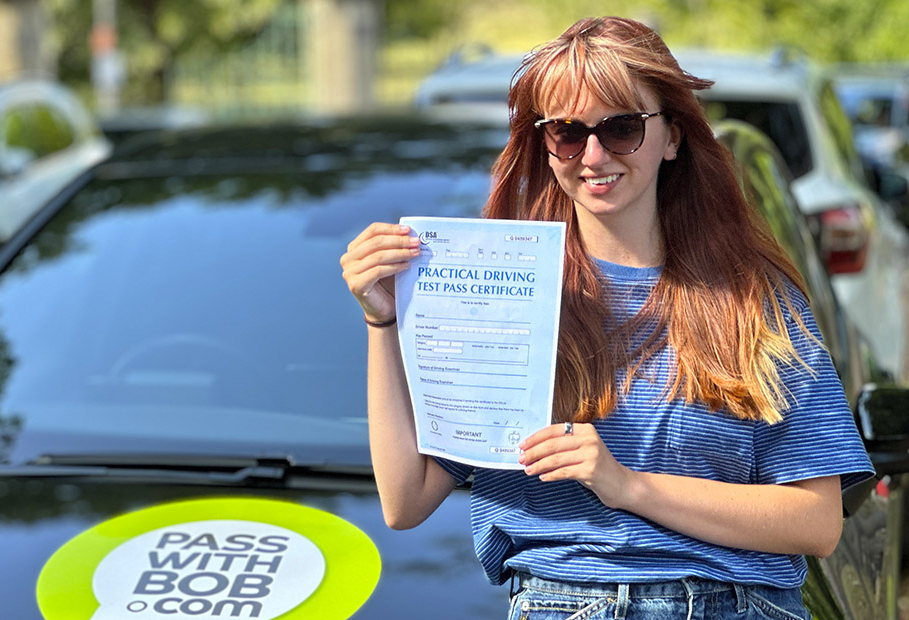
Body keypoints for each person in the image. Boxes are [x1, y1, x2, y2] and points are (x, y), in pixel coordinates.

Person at [340, 16, 874, 620]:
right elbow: (405, 502)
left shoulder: (755, 296)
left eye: (621, 128)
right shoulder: (501, 292)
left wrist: (628, 486)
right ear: (544, 145)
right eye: (567, 132)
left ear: (672, 136)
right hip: (557, 603)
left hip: (735, 605)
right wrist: (381, 324)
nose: (592, 155)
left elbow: (817, 521)